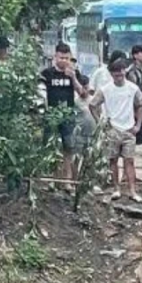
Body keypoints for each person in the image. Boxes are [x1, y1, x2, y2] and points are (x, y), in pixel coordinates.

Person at [89, 59, 142, 202]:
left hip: (129, 129)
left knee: (129, 160)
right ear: (111, 74)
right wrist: (100, 123)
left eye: (121, 73)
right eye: (116, 74)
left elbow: (141, 104)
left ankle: (132, 190)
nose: (119, 76)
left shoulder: (133, 88)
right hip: (112, 128)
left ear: (124, 72)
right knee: (112, 160)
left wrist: (138, 125)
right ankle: (116, 188)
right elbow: (93, 104)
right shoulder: (106, 89)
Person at [39, 42, 90, 190]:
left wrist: (73, 78)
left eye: (67, 58)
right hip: (51, 115)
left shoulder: (74, 73)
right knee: (50, 147)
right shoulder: (47, 73)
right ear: (55, 57)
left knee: (69, 147)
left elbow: (84, 94)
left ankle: (67, 181)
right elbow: (40, 93)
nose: (64, 61)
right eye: (61, 57)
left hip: (68, 114)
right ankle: (50, 179)